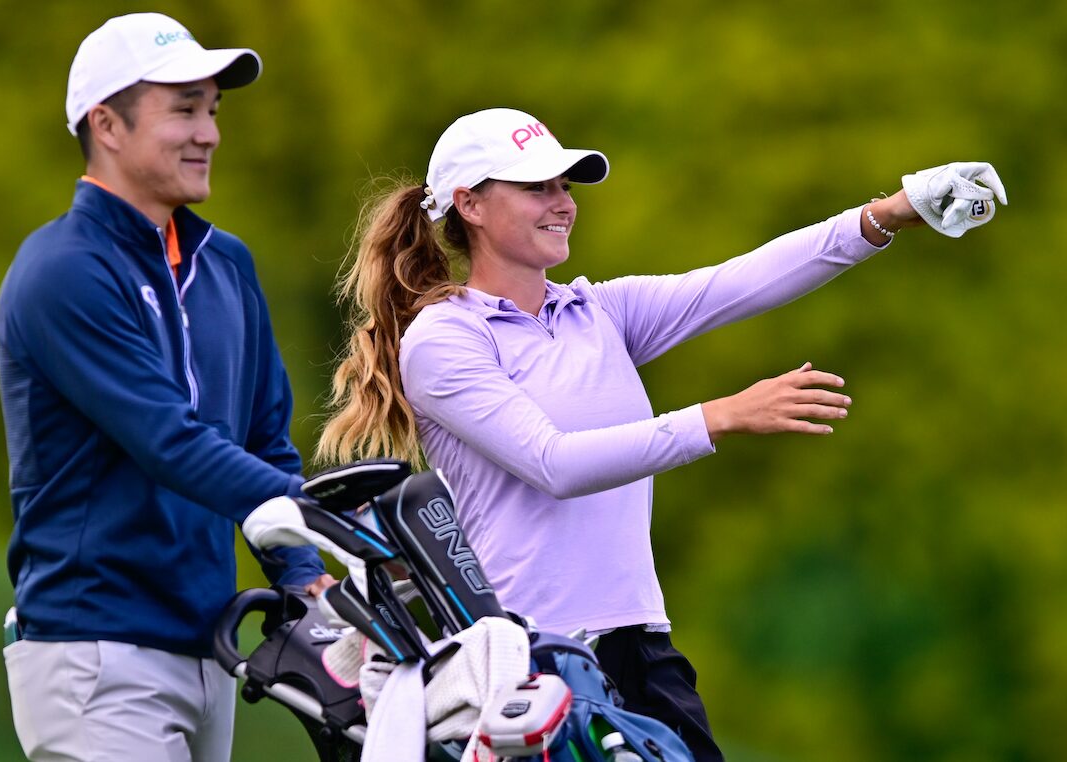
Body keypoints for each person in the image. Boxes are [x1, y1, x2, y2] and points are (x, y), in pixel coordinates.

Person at [316, 107, 1006, 761]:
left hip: (640, 643)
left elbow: (743, 280)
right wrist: (718, 416)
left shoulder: (597, 311)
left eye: (565, 185)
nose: (564, 202)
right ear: (469, 204)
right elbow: (553, 463)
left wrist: (886, 214)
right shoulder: (444, 339)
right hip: (527, 662)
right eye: (537, 187)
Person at [0, 13, 334, 762]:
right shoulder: (63, 271)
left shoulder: (225, 264)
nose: (208, 132)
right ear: (107, 124)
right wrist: (332, 526)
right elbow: (169, 441)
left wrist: (305, 576)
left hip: (211, 647)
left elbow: (263, 438)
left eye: (211, 110)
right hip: (97, 649)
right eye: (183, 109)